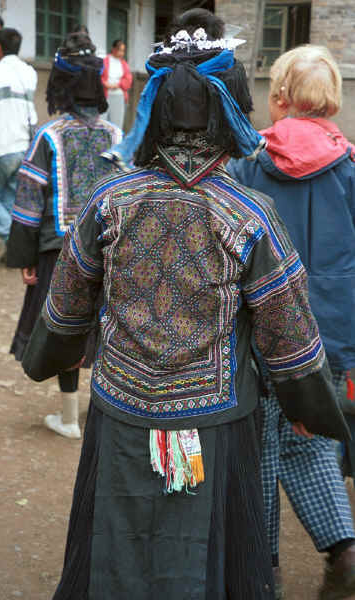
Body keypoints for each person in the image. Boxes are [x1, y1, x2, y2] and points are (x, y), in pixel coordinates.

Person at [22, 11, 349, 600]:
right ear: (228, 109)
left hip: (121, 414)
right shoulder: (248, 215)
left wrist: (48, 355)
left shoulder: (110, 203)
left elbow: (66, 309)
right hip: (217, 426)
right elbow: (290, 335)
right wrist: (313, 407)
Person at [227, 45, 355, 600]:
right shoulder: (351, 169)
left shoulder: (248, 166)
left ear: (278, 99)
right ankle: (346, 553)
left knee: (257, 447)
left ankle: (263, 569)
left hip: (261, 336)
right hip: (328, 342)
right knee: (313, 445)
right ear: (333, 101)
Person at [6, 32, 122, 439]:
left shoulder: (49, 135)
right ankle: (102, 413)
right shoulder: (114, 136)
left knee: (67, 327)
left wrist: (25, 256)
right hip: (109, 249)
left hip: (60, 254)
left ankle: (69, 417)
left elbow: (28, 198)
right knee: (103, 327)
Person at [0, 27, 37, 257]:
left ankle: (13, 238)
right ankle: (12, 249)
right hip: (24, 145)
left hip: (1, 145)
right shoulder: (29, 72)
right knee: (9, 197)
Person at [101, 38, 132, 129]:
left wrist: (117, 85)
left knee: (117, 126)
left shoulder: (124, 64)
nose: (122, 53)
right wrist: (105, 84)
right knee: (103, 124)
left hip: (119, 96)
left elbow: (128, 80)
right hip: (105, 96)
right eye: (120, 50)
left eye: (123, 51)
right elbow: (99, 76)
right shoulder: (105, 61)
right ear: (113, 49)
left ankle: (116, 143)